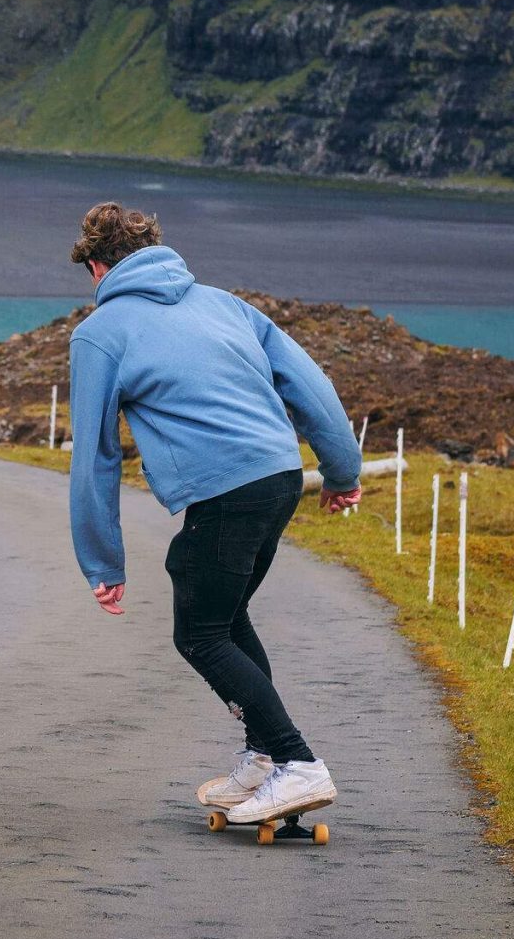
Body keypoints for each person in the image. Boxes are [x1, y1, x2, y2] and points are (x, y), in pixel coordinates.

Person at [65, 201, 364, 825]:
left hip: (226, 493)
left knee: (199, 633)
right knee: (225, 618)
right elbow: (314, 390)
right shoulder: (227, 303)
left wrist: (101, 559)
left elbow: (95, 453)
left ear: (97, 267)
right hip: (280, 479)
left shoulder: (101, 330)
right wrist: (342, 474)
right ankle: (261, 760)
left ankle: (297, 763)